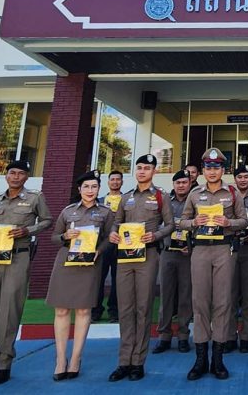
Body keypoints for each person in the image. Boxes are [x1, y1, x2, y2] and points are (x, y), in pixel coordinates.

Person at [0, 160, 52, 387]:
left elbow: (47, 220)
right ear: (6, 175)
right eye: (12, 172)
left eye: (20, 173)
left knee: (10, 309)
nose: (15, 176)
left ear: (26, 177)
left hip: (18, 256)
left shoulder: (34, 198)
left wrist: (27, 230)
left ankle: (4, 363)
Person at [180, 148, 248, 380]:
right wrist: (193, 222)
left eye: (216, 167)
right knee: (200, 303)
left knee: (222, 302)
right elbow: (182, 221)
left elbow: (244, 221)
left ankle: (218, 359)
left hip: (223, 250)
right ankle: (200, 359)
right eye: (208, 167)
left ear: (223, 170)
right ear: (203, 170)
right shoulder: (194, 193)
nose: (212, 171)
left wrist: (229, 222)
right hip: (200, 249)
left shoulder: (232, 193)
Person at [107, 154, 174, 382]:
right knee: (125, 308)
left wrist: (155, 235)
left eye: (147, 168)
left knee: (143, 307)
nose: (142, 171)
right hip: (125, 256)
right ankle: (123, 361)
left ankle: (138, 361)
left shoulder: (161, 196)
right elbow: (116, 222)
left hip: (148, 254)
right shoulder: (126, 197)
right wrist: (113, 234)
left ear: (154, 171)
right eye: (139, 168)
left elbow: (170, 225)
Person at [46, 172, 112, 382]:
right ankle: (60, 359)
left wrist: (99, 251)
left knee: (84, 310)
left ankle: (75, 358)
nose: (90, 190)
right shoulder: (68, 211)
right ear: (79, 189)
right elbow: (54, 237)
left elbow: (110, 238)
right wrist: (65, 236)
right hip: (66, 263)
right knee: (61, 310)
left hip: (89, 263)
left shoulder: (105, 212)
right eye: (86, 187)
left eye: (94, 187)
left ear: (99, 189)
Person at [154, 170, 194, 354]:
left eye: (184, 182)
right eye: (178, 182)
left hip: (187, 254)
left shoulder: (194, 200)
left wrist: (191, 245)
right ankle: (164, 335)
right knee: (166, 294)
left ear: (190, 183)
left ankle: (183, 335)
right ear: (173, 184)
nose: (181, 185)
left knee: (186, 295)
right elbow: (155, 223)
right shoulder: (165, 201)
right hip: (168, 252)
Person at [227, 163, 248, 354]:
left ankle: (246, 336)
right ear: (235, 179)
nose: (243, 180)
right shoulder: (228, 196)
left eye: (246, 177)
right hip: (231, 247)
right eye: (239, 177)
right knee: (230, 294)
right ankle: (230, 336)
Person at [93, 170, 125, 322]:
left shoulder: (127, 200)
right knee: (98, 278)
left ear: (122, 182)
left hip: (121, 243)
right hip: (103, 244)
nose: (115, 182)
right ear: (108, 182)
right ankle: (96, 310)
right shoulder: (99, 201)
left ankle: (114, 311)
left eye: (118, 179)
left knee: (118, 279)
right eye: (112, 179)